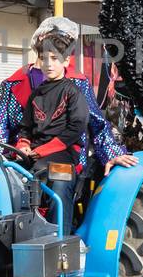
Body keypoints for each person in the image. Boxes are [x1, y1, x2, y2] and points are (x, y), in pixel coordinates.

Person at [0, 17, 138, 181]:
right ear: (40, 41)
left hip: (66, 161)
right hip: (20, 165)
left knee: (58, 185)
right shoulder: (12, 85)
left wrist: (111, 153)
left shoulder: (77, 83)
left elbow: (96, 124)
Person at [13, 32, 91, 234]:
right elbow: (25, 127)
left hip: (64, 155)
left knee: (59, 185)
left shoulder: (73, 91)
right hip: (35, 156)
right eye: (44, 58)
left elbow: (77, 126)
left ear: (66, 61)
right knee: (9, 180)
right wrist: (23, 145)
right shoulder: (35, 94)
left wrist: (42, 151)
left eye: (54, 58)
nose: (48, 64)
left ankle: (59, 240)